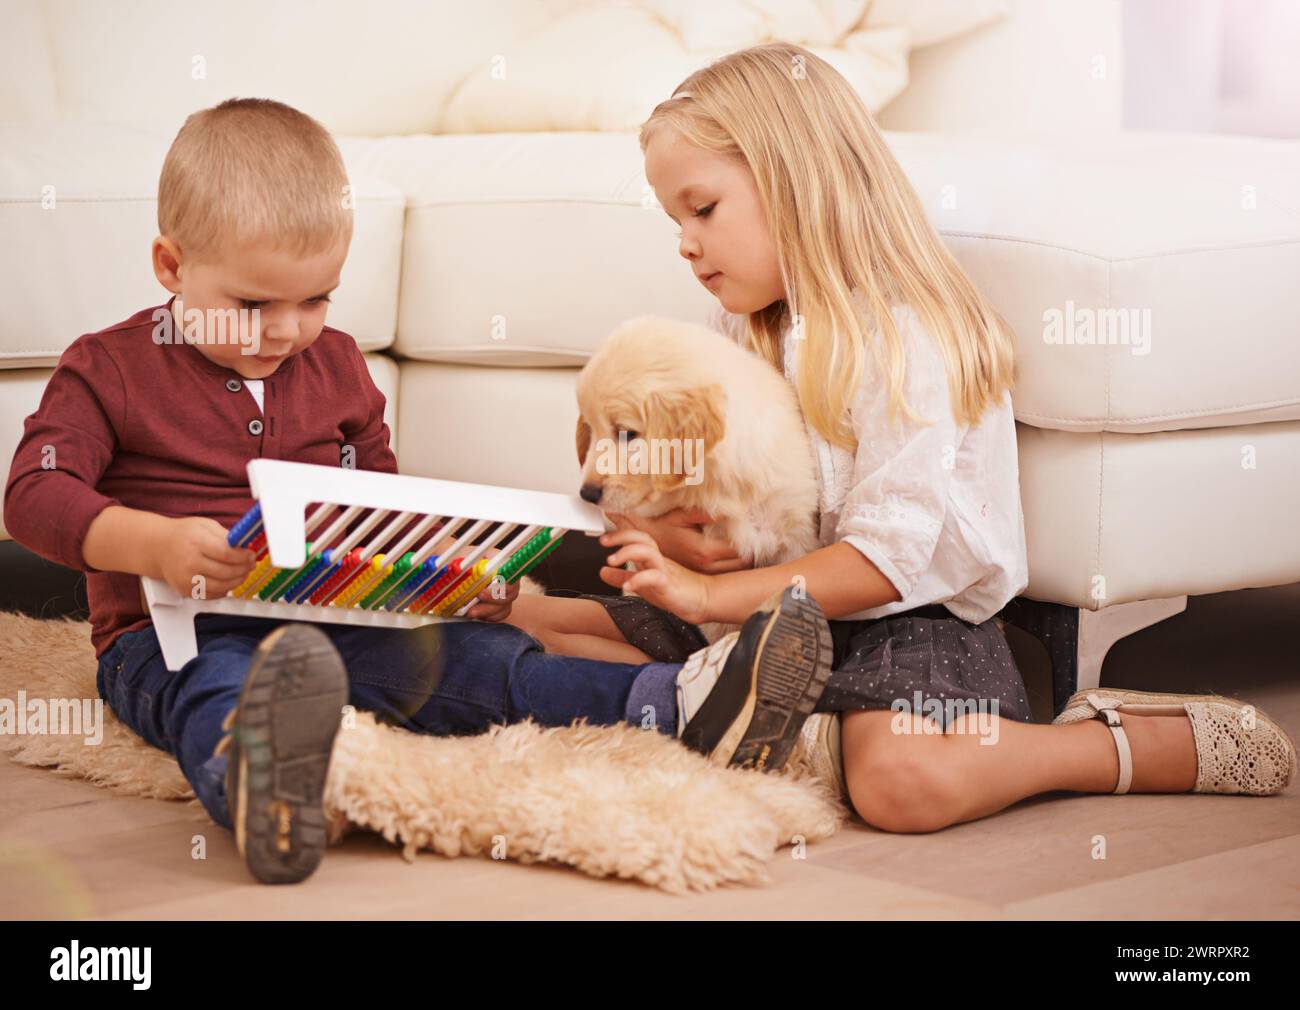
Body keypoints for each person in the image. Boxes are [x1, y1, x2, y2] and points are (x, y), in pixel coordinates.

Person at [3, 97, 836, 885]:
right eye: (253, 304)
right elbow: (34, 494)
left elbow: (380, 494)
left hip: (334, 611)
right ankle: (269, 788)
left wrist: (437, 567)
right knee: (216, 691)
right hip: (173, 635)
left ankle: (681, 705)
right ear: (171, 266)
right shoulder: (108, 366)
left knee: (480, 664)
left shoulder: (331, 363)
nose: (289, 331)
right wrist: (142, 542)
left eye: (317, 299)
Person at [507, 43, 1296, 833]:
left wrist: (714, 594)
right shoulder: (743, 330)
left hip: (912, 621)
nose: (685, 241)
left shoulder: (904, 340)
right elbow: (756, 510)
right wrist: (687, 547)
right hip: (785, 613)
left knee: (900, 784)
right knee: (533, 624)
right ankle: (797, 726)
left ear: (793, 182)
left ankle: (1105, 744)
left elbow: (888, 564)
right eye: (676, 219)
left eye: (703, 209)